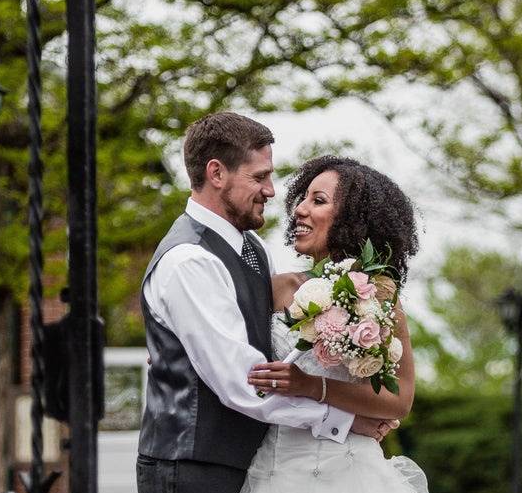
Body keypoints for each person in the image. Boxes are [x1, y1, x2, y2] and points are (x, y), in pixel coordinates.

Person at [136, 113, 395, 493]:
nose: (272, 191)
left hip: (241, 464)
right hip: (190, 468)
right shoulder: (189, 260)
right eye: (259, 177)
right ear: (216, 173)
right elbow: (242, 383)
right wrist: (344, 420)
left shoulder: (252, 249)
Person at [241, 155, 428, 493]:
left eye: (318, 200)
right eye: (303, 197)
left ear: (351, 218)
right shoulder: (277, 288)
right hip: (277, 469)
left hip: (352, 472)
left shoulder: (381, 297)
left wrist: (312, 386)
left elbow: (399, 399)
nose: (299, 209)